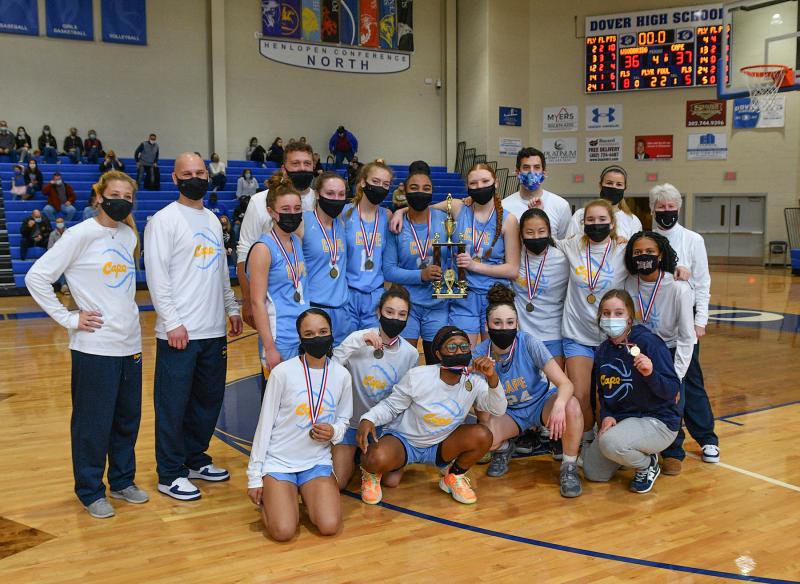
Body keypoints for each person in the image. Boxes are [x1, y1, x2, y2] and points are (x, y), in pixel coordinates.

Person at [25, 170, 147, 518]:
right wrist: (68, 318)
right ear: (99, 197)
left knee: (127, 419)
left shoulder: (127, 235)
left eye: (127, 196)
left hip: (130, 345)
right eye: (115, 194)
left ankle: (123, 480)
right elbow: (37, 277)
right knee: (92, 423)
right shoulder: (80, 234)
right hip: (95, 348)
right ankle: (91, 490)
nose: (121, 201)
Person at [144, 152, 243, 501]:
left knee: (207, 401)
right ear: (174, 179)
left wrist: (231, 307)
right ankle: (169, 472)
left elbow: (218, 272)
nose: (195, 178)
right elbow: (157, 277)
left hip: (212, 329)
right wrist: (172, 322)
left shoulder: (214, 220)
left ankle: (194, 459)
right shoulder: (163, 220)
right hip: (179, 332)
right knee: (173, 405)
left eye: (200, 172)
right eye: (187, 173)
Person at [357, 326, 505, 505]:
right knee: (377, 462)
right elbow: (391, 406)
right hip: (405, 441)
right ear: (439, 354)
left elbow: (498, 410)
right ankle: (372, 475)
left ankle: (453, 477)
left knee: (483, 435)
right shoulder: (419, 376)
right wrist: (369, 418)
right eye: (451, 347)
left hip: (441, 445)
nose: (459, 351)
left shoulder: (474, 381)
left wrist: (492, 377)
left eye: (464, 347)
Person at [247, 309, 352, 542]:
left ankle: (298, 494)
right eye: (310, 333)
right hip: (280, 462)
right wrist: (254, 476)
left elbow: (344, 420)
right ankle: (276, 498)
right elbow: (263, 426)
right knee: (283, 532)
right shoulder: (282, 373)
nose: (318, 338)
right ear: (301, 339)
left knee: (329, 526)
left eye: (323, 331)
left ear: (332, 333)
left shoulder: (342, 375)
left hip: (316, 462)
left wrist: (334, 432)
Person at [473, 284, 582, 496]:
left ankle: (569, 467)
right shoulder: (479, 353)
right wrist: (485, 382)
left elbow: (566, 384)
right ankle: (504, 447)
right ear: (487, 325)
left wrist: (559, 405)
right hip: (509, 413)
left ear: (517, 324)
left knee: (572, 405)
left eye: (510, 322)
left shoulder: (528, 342)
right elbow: (480, 405)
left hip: (541, 404)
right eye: (497, 323)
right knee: (483, 438)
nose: (504, 328)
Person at [582, 289, 681, 494]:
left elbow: (673, 391)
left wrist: (651, 374)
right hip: (625, 421)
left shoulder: (648, 342)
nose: (611, 318)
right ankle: (629, 450)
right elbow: (604, 392)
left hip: (658, 421)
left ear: (629, 318)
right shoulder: (603, 351)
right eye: (606, 313)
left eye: (618, 313)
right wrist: (608, 415)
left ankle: (646, 464)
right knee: (593, 472)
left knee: (610, 443)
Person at [649, 183, 719, 472]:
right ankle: (667, 440)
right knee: (656, 381)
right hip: (651, 317)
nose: (666, 211)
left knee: (690, 378)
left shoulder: (693, 240)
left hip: (684, 319)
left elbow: (702, 284)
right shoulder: (643, 239)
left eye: (671, 206)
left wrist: (700, 320)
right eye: (661, 207)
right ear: (652, 210)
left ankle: (706, 437)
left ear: (679, 207)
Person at [331, 286, 419, 490]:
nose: (395, 318)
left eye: (402, 314)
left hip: (383, 426)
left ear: (407, 318)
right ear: (379, 312)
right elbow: (332, 369)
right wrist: (357, 341)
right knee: (338, 484)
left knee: (391, 481)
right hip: (350, 423)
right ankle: (354, 455)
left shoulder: (411, 354)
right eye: (389, 312)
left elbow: (405, 398)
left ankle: (367, 459)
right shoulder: (358, 339)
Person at [556, 198, 627, 444]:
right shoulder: (572, 245)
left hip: (612, 335)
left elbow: (650, 255)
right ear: (582, 223)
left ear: (612, 222)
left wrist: (680, 268)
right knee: (581, 394)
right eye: (590, 220)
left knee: (607, 393)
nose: (596, 224)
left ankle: (605, 441)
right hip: (577, 335)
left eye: (601, 220)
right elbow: (538, 237)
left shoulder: (622, 249)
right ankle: (585, 441)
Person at [236, 140, 318, 329]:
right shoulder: (259, 201)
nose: (302, 168)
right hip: (278, 303)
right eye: (295, 164)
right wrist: (248, 300)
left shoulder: (322, 200)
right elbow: (244, 252)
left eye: (307, 164)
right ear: (284, 168)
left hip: (316, 297)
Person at [383, 163, 449, 363]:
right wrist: (421, 275)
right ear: (404, 189)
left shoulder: (446, 219)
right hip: (406, 306)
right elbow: (388, 271)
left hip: (438, 305)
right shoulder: (396, 225)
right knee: (402, 365)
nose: (420, 192)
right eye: (414, 188)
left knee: (437, 365)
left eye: (426, 189)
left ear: (432, 192)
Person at [449, 164, 521, 346]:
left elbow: (512, 269)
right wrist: (400, 211)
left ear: (495, 183)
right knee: (465, 355)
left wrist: (474, 266)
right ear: (467, 187)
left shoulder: (508, 219)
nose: (479, 186)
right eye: (474, 183)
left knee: (496, 358)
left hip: (495, 296)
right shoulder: (458, 207)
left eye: (485, 181)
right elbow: (424, 211)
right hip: (464, 295)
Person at [247, 173, 309, 376]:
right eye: (285, 209)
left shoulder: (297, 242)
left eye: (297, 209)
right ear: (271, 212)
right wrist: (270, 347)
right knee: (277, 403)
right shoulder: (263, 249)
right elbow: (257, 302)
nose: (292, 214)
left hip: (302, 334)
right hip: (279, 337)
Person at [623, 231, 695, 385]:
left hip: (669, 352)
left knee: (670, 406)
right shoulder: (627, 282)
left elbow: (687, 336)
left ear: (660, 255)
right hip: (637, 351)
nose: (643, 256)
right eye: (637, 252)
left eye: (649, 252)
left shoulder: (678, 288)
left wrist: (676, 376)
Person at [513, 208, 569, 370]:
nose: (536, 237)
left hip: (553, 335)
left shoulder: (562, 258)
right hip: (521, 335)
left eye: (541, 231)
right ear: (521, 234)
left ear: (550, 232)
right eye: (529, 232)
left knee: (555, 388)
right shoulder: (513, 255)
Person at [342, 160, 394, 330]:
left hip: (376, 294)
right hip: (348, 292)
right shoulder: (344, 213)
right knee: (347, 348)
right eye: (375, 182)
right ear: (363, 182)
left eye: (385, 184)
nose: (380, 187)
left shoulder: (387, 215)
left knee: (371, 351)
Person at [300, 172, 351, 344]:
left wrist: (401, 211)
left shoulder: (343, 222)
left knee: (342, 369)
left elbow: (376, 210)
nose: (336, 199)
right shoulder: (302, 222)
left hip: (343, 311)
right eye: (330, 194)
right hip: (314, 310)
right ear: (316, 193)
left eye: (341, 194)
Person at [501, 147, 572, 239]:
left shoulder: (560, 205)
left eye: (537, 167)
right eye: (526, 167)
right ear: (518, 172)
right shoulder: (504, 206)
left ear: (544, 173)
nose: (532, 172)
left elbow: (564, 244)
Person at [567, 166, 642, 240]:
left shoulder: (632, 220)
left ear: (624, 188)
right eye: (609, 183)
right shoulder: (581, 214)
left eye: (619, 184)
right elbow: (569, 245)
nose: (614, 187)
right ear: (600, 185)